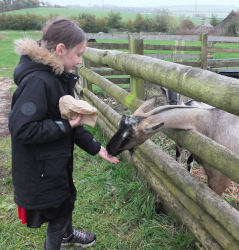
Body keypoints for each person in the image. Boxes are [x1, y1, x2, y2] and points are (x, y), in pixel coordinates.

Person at [8, 17, 119, 250]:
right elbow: (22, 128)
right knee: (57, 214)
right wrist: (64, 127)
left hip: (53, 164)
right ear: (60, 49)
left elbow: (71, 123)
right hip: (40, 170)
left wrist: (97, 148)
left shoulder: (57, 77)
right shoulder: (39, 82)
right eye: (78, 54)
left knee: (65, 200)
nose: (79, 61)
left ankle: (68, 236)